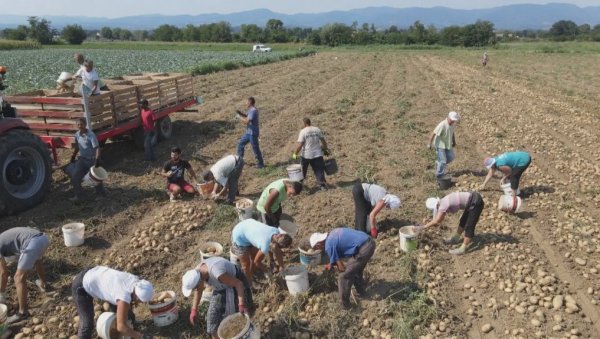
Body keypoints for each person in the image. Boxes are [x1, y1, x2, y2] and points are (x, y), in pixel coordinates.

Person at [71, 266, 154, 339]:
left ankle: (130, 332)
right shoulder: (124, 295)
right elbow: (121, 327)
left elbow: (124, 307)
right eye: (140, 301)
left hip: (95, 273)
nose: (141, 303)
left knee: (127, 316)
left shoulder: (136, 282)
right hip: (81, 286)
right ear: (137, 296)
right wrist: (140, 336)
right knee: (87, 324)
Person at [182, 256, 253, 338]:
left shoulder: (216, 272)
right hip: (220, 287)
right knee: (212, 319)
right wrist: (194, 310)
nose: (195, 289)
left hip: (237, 283)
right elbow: (199, 290)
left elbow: (239, 284)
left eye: (194, 287)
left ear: (199, 281)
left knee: (241, 317)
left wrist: (241, 305)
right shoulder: (197, 272)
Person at [309, 228, 376, 309]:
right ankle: (361, 293)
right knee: (355, 270)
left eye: (316, 248)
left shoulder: (328, 245)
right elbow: (340, 247)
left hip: (364, 248)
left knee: (344, 276)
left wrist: (340, 269)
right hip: (369, 242)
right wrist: (332, 263)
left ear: (319, 244)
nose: (318, 250)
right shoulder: (332, 233)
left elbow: (341, 268)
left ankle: (345, 306)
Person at [0, 227, 50, 324]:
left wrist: (1, 294)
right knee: (37, 261)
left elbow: (3, 274)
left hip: (32, 242)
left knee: (18, 277)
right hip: (43, 238)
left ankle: (22, 313)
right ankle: (44, 284)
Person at [69, 117, 107, 201]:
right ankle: (80, 196)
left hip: (91, 160)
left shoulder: (91, 135)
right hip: (82, 159)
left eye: (81, 124)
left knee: (94, 178)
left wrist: (97, 160)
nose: (80, 126)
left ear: (85, 125)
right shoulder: (77, 134)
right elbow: (77, 147)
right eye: (78, 124)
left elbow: (97, 148)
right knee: (75, 177)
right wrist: (73, 156)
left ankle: (100, 194)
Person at [292, 118, 330, 191]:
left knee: (303, 171)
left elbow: (300, 144)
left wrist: (295, 154)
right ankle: (322, 186)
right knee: (319, 170)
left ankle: (299, 186)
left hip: (306, 155)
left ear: (304, 123)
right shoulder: (317, 129)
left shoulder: (303, 131)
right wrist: (325, 150)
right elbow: (323, 141)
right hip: (318, 154)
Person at [428, 111, 459, 180]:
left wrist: (454, 141)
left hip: (447, 144)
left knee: (451, 157)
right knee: (443, 161)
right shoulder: (442, 125)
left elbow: (452, 132)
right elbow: (433, 133)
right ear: (448, 118)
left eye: (454, 120)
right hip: (440, 145)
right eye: (452, 120)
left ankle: (439, 164)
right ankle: (439, 175)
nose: (453, 121)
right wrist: (429, 144)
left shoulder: (452, 124)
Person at [235, 97, 264, 168]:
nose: (246, 103)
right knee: (240, 144)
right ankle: (240, 161)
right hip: (249, 133)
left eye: (247, 102)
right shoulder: (250, 110)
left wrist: (239, 117)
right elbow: (246, 115)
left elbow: (247, 121)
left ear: (250, 103)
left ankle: (260, 164)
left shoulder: (253, 110)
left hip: (253, 133)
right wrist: (240, 113)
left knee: (255, 148)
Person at [73, 59, 101, 129]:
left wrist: (91, 93)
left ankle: (99, 124)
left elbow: (95, 86)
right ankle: (88, 123)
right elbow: (76, 75)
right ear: (86, 66)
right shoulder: (82, 70)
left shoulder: (94, 74)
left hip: (95, 93)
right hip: (86, 91)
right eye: (89, 66)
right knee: (86, 108)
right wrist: (75, 77)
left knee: (96, 109)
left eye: (92, 66)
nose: (91, 67)